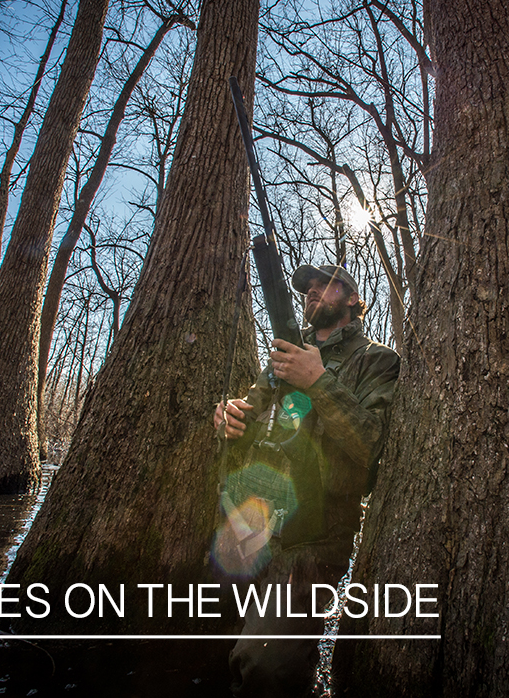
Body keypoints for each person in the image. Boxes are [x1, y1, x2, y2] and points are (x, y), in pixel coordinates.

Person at [213, 264, 400, 697]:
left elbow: (372, 447)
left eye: (325, 286)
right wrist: (230, 421)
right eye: (308, 290)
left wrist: (317, 381)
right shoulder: (279, 360)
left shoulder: (378, 359)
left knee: (264, 666)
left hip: (314, 541)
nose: (313, 293)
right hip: (250, 527)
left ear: (353, 298)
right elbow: (248, 421)